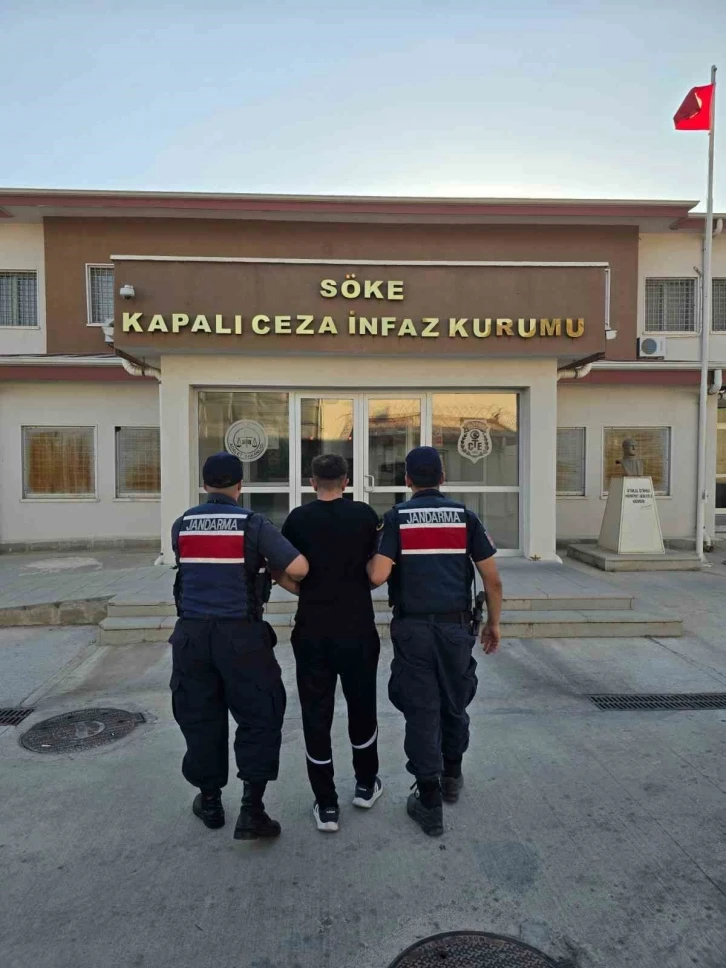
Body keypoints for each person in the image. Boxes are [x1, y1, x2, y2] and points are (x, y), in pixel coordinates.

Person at [169, 451, 308, 841]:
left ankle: (210, 802)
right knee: (260, 715)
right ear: (240, 486)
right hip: (241, 638)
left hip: (191, 637)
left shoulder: (182, 524)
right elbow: (299, 568)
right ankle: (252, 810)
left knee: (199, 717)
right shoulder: (252, 523)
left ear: (204, 485)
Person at [367, 446, 503, 837]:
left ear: (408, 480)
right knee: (454, 700)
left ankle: (429, 799)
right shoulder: (465, 517)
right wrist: (493, 624)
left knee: (421, 708)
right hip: (456, 629)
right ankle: (452, 776)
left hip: (414, 630)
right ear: (442, 478)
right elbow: (492, 579)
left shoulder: (397, 518)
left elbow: (377, 576)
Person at [277, 454, 383, 833]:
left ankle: (326, 805)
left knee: (315, 714)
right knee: (362, 708)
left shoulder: (297, 520)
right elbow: (377, 571)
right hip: (358, 629)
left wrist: (304, 592)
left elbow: (281, 571)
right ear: (346, 481)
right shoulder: (365, 516)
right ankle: (366, 785)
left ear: (312, 482)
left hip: (313, 631)